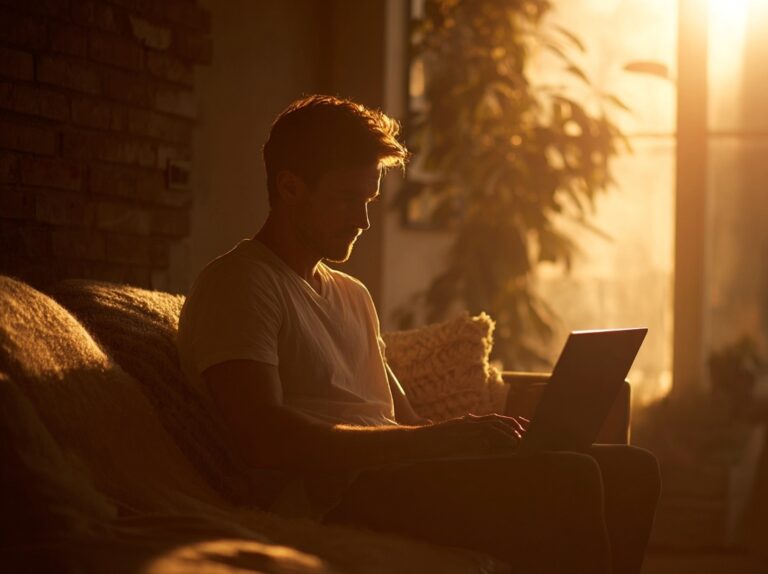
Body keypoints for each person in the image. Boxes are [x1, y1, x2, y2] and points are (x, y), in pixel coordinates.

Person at [177, 94, 660, 574]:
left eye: (368, 201)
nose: (363, 221)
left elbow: (405, 421)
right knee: (569, 478)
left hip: (396, 475)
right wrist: (428, 446)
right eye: (349, 199)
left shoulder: (352, 294)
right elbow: (263, 439)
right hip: (335, 494)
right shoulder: (240, 284)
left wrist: (473, 441)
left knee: (633, 470)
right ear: (290, 187)